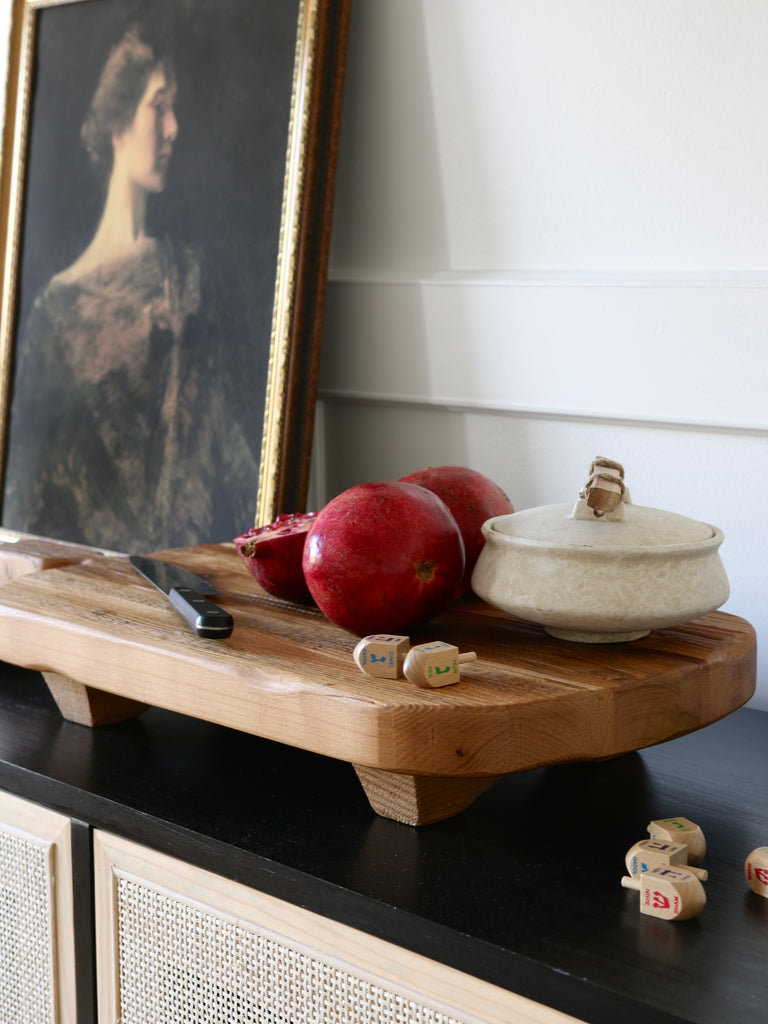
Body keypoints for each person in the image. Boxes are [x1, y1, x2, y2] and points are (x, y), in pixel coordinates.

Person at [3, 24, 256, 552]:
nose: (172, 128)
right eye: (157, 106)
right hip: (87, 587)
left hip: (200, 583)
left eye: (175, 109)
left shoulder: (188, 276)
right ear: (117, 123)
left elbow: (232, 458)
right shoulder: (55, 310)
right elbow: (31, 497)